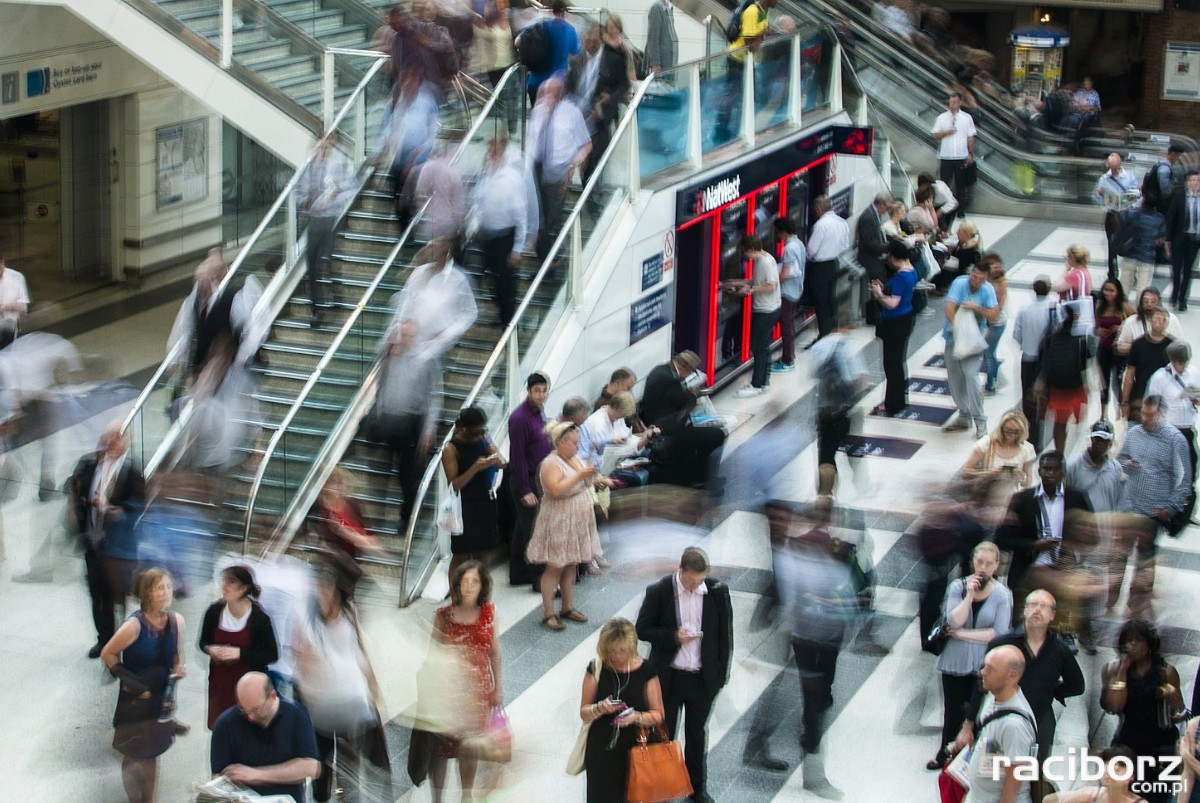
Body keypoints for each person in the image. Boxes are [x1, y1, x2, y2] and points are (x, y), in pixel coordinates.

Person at [635, 547, 733, 803]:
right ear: (681, 570)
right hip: (669, 677)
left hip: (702, 679)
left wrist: (720, 677)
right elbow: (642, 629)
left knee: (697, 734)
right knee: (663, 733)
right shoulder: (659, 592)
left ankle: (696, 788)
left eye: (700, 580)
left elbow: (725, 638)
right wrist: (673, 636)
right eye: (691, 580)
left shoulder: (717, 593)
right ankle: (661, 787)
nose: (695, 585)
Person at [953, 590, 1084, 766]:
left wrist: (1052, 691)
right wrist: (968, 725)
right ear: (1024, 610)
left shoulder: (1059, 650)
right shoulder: (1002, 643)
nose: (1037, 610)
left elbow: (1077, 685)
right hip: (1000, 717)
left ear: (1052, 615)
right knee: (991, 772)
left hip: (1039, 718)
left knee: (1033, 774)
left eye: (1044, 606)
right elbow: (981, 685)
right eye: (1033, 605)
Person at [292, 568, 388, 803]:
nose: (322, 594)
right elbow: (301, 662)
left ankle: (348, 794)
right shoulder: (306, 621)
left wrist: (374, 690)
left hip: (351, 701)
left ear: (336, 591)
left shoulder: (349, 613)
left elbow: (360, 650)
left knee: (352, 756)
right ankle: (324, 796)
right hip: (320, 706)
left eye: (326, 588)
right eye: (318, 589)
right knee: (322, 762)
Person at [100, 568, 186, 803]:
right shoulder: (133, 626)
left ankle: (149, 800)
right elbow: (108, 654)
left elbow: (177, 655)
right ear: (147, 593)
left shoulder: (176, 622)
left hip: (160, 700)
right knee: (133, 754)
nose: (167, 592)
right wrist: (133, 683)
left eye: (169, 586)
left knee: (153, 753)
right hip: (134, 702)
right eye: (160, 588)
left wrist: (179, 667)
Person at [929, 541, 1012, 770]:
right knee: (952, 709)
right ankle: (945, 751)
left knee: (974, 712)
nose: (983, 567)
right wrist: (969, 596)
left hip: (983, 663)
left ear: (996, 565)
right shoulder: (958, 586)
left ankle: (969, 758)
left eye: (988, 563)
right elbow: (953, 618)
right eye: (979, 562)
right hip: (955, 660)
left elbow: (998, 633)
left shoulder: (1003, 595)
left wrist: (962, 634)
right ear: (972, 562)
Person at [71, 423, 146, 659]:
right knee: (97, 594)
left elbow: (138, 508)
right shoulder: (89, 465)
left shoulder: (132, 474)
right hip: (93, 544)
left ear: (127, 441)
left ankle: (120, 640)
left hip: (118, 550)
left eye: (117, 436)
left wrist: (115, 511)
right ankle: (103, 639)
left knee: (117, 596)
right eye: (108, 435)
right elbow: (75, 490)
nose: (111, 441)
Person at [429, 560, 503, 803]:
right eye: (464, 581)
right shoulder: (443, 616)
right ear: (457, 585)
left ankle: (466, 795)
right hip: (446, 692)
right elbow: (432, 655)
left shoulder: (489, 613)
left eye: (475, 581)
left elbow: (494, 653)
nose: (469, 586)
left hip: (477, 693)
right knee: (439, 749)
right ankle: (437, 799)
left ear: (483, 586)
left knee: (469, 746)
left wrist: (498, 688)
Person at [526, 420, 608, 630]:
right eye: (572, 443)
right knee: (555, 565)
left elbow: (582, 482)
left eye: (577, 443)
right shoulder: (550, 463)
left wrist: (594, 478)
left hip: (578, 516)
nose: (575, 447)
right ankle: (548, 612)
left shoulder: (576, 459)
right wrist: (580, 475)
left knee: (571, 562)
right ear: (558, 443)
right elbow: (555, 489)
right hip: (559, 518)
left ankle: (567, 606)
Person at [1115, 395, 1193, 614]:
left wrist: (1171, 506)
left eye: (1150, 415)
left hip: (1153, 512)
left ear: (1161, 414)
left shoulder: (1175, 440)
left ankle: (1137, 602)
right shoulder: (1134, 433)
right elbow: (1120, 459)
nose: (1144, 418)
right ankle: (1111, 597)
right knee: (1120, 554)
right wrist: (1127, 463)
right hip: (1130, 506)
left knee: (1145, 557)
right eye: (1143, 414)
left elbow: (1185, 478)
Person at [995, 451, 1093, 617]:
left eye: (1054, 469)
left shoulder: (1076, 498)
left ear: (1063, 472)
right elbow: (1002, 538)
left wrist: (1072, 549)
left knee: (1059, 620)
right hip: (1029, 571)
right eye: (1045, 469)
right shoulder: (1022, 500)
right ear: (1038, 471)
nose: (1049, 474)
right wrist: (1032, 545)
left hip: (1063, 571)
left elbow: (1091, 534)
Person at [578, 618, 665, 803]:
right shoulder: (596, 668)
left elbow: (658, 714)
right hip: (602, 749)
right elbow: (584, 711)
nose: (616, 656)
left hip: (637, 747)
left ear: (631, 647)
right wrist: (600, 707)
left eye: (622, 650)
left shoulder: (646, 670)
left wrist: (636, 717)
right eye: (611, 650)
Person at [1100, 620, 1187, 803]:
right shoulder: (1114, 669)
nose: (1132, 644)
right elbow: (1115, 706)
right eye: (1127, 641)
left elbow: (1177, 715)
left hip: (1160, 747)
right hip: (1128, 743)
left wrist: (1174, 703)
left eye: (1137, 640)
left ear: (1148, 645)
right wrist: (1123, 670)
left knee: (1157, 796)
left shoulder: (1166, 672)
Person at [210, 672, 321, 802]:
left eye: (256, 710)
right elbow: (217, 776)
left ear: (272, 696)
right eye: (243, 709)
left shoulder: (296, 714)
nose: (250, 717)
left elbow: (312, 767)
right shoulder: (225, 723)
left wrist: (257, 775)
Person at [199, 565, 280, 730]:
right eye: (224, 581)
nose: (224, 586)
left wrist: (240, 654)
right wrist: (210, 650)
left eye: (230, 582)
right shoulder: (214, 612)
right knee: (222, 729)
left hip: (249, 689)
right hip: (220, 684)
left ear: (244, 588)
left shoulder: (259, 618)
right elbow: (203, 642)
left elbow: (272, 654)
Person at [639, 351, 726, 487]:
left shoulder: (661, 370)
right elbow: (686, 402)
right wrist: (692, 394)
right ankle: (700, 477)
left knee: (704, 434)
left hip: (664, 423)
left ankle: (700, 475)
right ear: (685, 369)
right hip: (666, 429)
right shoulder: (670, 380)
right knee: (716, 435)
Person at [964, 645, 1038, 803]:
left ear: (1012, 676)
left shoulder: (1014, 725)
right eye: (984, 666)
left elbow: (1014, 780)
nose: (983, 672)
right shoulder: (993, 695)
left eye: (991, 669)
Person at [387, 236, 478, 365]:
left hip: (439, 344)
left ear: (445, 256)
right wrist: (399, 329)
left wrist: (450, 333)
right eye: (430, 253)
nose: (431, 258)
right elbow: (406, 303)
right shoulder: (418, 273)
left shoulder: (458, 279)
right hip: (412, 341)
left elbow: (470, 312)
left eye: (436, 254)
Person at [529, 77, 592, 261]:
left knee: (551, 220)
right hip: (537, 169)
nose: (548, 97)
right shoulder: (538, 111)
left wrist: (572, 165)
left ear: (560, 93)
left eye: (552, 92)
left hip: (559, 172)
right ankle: (545, 258)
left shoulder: (571, 113)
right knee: (538, 219)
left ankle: (550, 261)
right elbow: (531, 139)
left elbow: (586, 145)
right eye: (546, 92)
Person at [472, 132, 530, 327]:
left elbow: (521, 213)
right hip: (487, 234)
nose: (489, 151)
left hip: (505, 236)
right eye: (489, 146)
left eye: (493, 147)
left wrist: (517, 248)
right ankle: (501, 314)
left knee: (505, 283)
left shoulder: (512, 177)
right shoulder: (486, 172)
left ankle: (508, 322)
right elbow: (478, 199)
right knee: (491, 277)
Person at [441, 406, 505, 581]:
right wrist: (475, 468)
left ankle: (480, 597)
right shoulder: (451, 449)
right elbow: (454, 485)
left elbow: (502, 464)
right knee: (460, 555)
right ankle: (456, 601)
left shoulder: (482, 440)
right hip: (463, 506)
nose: (479, 435)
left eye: (482, 430)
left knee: (482, 553)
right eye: (476, 432)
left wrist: (490, 445)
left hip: (483, 501)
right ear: (465, 428)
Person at [299, 136, 354, 324]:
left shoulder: (336, 164)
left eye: (326, 145)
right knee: (312, 265)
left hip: (330, 219)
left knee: (328, 259)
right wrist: (305, 201)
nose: (322, 149)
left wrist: (335, 195)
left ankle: (336, 294)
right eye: (320, 145)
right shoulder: (308, 168)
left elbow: (349, 187)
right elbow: (298, 194)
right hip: (314, 220)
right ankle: (316, 310)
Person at [943, 262, 1000, 438]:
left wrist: (976, 308)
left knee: (971, 378)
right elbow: (949, 308)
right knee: (955, 378)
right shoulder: (960, 283)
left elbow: (994, 315)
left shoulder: (987, 290)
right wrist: (958, 329)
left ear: (985, 279)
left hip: (974, 342)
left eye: (980, 278)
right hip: (954, 340)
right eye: (973, 276)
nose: (975, 280)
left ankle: (980, 420)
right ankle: (964, 414)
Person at [508, 372, 552, 588]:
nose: (541, 395)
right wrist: (526, 489)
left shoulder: (538, 412)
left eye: (544, 391)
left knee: (522, 526)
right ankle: (539, 578)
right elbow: (517, 456)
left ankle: (517, 572)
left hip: (538, 476)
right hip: (525, 478)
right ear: (528, 391)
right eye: (537, 391)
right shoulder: (520, 418)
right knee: (533, 529)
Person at [309, 468, 384, 593]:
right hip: (332, 568)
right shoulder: (318, 509)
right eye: (329, 483)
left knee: (348, 600)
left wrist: (348, 534)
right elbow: (316, 539)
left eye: (337, 483)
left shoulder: (353, 504)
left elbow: (369, 537)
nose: (335, 488)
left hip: (350, 566)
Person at [714, 0, 777, 143]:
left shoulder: (764, 12)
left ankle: (741, 126)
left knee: (747, 93)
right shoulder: (752, 12)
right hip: (737, 58)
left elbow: (756, 37)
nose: (778, 2)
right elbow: (748, 38)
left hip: (747, 60)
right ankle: (721, 127)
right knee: (732, 92)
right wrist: (763, 33)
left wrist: (761, 35)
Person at [870, 238, 918, 415]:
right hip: (906, 318)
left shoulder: (900, 277)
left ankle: (892, 403)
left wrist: (878, 295)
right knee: (898, 362)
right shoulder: (912, 271)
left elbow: (892, 304)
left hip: (895, 322)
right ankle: (897, 399)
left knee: (892, 364)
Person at [1038, 305, 1093, 456]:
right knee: (1077, 421)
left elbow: (1044, 363)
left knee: (1060, 423)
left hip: (1056, 388)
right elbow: (1086, 363)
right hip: (1075, 387)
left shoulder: (1050, 339)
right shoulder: (1081, 339)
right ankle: (1072, 453)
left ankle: (1059, 453)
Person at [1145, 340, 1199, 487]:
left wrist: (1196, 400)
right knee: (1168, 468)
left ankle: (1187, 494)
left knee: (1191, 465)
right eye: (1178, 363)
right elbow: (1151, 405)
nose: (1181, 367)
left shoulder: (1194, 373)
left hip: (1187, 428)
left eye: (1184, 363)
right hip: (1168, 430)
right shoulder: (1159, 377)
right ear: (1172, 360)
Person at [732, 235, 781, 398]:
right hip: (770, 309)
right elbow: (758, 280)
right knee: (764, 348)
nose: (746, 256)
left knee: (759, 349)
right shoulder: (766, 259)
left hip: (765, 311)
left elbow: (771, 286)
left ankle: (757, 384)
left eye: (746, 253)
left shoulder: (765, 263)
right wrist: (739, 282)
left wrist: (750, 291)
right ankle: (763, 382)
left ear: (752, 249)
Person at [1013, 275, 1057, 448]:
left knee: (1028, 400)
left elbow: (1017, 334)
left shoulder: (1025, 309)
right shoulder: (1054, 308)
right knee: (1044, 399)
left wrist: (1027, 343)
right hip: (1048, 360)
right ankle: (1040, 437)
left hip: (1028, 358)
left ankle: (1030, 438)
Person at [806, 195, 851, 343]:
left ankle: (824, 334)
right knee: (831, 299)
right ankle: (833, 329)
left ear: (819, 209)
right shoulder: (841, 222)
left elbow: (811, 250)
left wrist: (809, 258)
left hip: (820, 267)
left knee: (821, 301)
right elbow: (845, 245)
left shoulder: (821, 225)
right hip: (834, 264)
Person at [958, 409, 1036, 491]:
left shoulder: (1026, 449)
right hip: (985, 494)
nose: (1011, 436)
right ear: (1002, 428)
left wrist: (1021, 477)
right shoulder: (986, 443)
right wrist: (989, 474)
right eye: (1008, 431)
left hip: (1012, 497)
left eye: (1016, 432)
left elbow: (1028, 481)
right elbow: (965, 472)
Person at [519, 0, 580, 104]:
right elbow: (576, 54)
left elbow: (517, 42)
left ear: (552, 10)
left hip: (535, 82)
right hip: (556, 86)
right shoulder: (570, 30)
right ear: (564, 12)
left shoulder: (540, 25)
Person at [1044, 745, 1152, 803]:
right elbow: (1047, 800)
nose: (1112, 770)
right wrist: (1070, 799)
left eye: (1120, 766)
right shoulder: (1091, 794)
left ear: (1132, 776)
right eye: (1108, 764)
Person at [1121, 308, 1174, 424]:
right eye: (1157, 319)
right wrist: (1125, 401)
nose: (1161, 322)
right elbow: (1130, 374)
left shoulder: (1172, 346)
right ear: (1150, 320)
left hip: (1164, 400)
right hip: (1140, 396)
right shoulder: (1138, 344)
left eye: (1164, 320)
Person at [1095, 278, 1135, 420]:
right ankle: (1103, 415)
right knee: (1103, 382)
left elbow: (1135, 324)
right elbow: (1093, 326)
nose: (1108, 293)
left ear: (1118, 292)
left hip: (1119, 351)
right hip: (1104, 349)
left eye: (1112, 290)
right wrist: (1097, 330)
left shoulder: (1125, 308)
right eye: (1106, 290)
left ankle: (1119, 414)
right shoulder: (1100, 307)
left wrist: (1121, 328)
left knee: (1119, 381)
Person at [930, 92, 976, 218]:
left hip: (961, 156)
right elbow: (935, 134)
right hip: (946, 156)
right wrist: (946, 133)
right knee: (944, 185)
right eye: (950, 102)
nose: (952, 104)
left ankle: (960, 210)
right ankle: (943, 210)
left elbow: (970, 136)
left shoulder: (966, 118)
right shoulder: (942, 118)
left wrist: (970, 153)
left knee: (961, 185)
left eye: (955, 102)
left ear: (960, 103)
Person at [1095, 153, 1141, 279]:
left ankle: (1132, 273)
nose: (1114, 170)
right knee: (1111, 244)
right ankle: (1112, 273)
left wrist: (1133, 194)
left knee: (1129, 244)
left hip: (1126, 214)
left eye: (1116, 167)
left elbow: (1137, 194)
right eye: (1111, 167)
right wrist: (1100, 195)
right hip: (1112, 215)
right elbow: (1098, 200)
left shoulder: (1129, 177)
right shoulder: (1104, 178)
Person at [1067, 420, 1125, 513]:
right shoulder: (1073, 465)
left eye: (1104, 440)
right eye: (1097, 439)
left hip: (1106, 525)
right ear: (1091, 439)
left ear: (1110, 443)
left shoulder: (1116, 469)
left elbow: (1120, 503)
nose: (1099, 443)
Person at [772, 216, 806, 374]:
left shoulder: (790, 248)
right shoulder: (798, 243)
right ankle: (788, 356)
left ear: (784, 232)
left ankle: (787, 360)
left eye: (777, 232)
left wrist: (770, 280)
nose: (776, 236)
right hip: (796, 290)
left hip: (787, 292)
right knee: (789, 325)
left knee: (785, 326)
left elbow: (784, 274)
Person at [1116, 196, 1167, 297]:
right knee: (1142, 290)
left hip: (1130, 254)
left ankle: (1121, 309)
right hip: (1147, 257)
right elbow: (1161, 239)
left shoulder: (1132, 213)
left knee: (1124, 287)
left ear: (1143, 201)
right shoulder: (1159, 218)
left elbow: (1119, 217)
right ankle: (1140, 311)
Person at [1165, 169, 1200, 311]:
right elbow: (1171, 217)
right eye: (1192, 180)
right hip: (1179, 238)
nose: (1195, 183)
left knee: (1188, 270)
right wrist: (1168, 239)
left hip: (1194, 240)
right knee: (1176, 269)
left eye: (1197, 181)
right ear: (1187, 182)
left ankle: (1182, 299)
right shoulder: (1179, 196)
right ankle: (1175, 293)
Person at [1115, 286, 1184, 356]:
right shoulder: (1131, 322)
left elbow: (1180, 346)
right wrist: (1140, 347)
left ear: (1159, 303)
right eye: (1146, 301)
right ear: (1141, 303)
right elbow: (1119, 347)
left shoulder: (1172, 319)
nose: (1149, 304)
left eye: (1153, 302)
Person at [981, 254, 1009, 397]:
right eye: (994, 265)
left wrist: (990, 316)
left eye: (998, 265)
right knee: (987, 353)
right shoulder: (987, 279)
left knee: (989, 353)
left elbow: (999, 304)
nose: (997, 267)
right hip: (988, 320)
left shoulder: (1001, 283)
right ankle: (1000, 378)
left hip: (996, 322)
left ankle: (991, 385)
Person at [855, 191, 891, 284]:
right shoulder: (868, 217)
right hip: (870, 261)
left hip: (876, 258)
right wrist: (886, 247)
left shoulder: (875, 214)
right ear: (880, 204)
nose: (887, 211)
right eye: (887, 207)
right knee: (878, 288)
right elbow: (869, 242)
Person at [0, 252, 30, 350]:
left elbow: (23, 308)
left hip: (9, 329)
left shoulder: (16, 277)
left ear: (2, 262)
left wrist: (6, 307)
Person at [643, 0, 678, 75]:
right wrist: (655, 64)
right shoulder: (656, 8)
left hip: (669, 63)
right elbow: (653, 38)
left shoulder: (669, 8)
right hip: (660, 66)